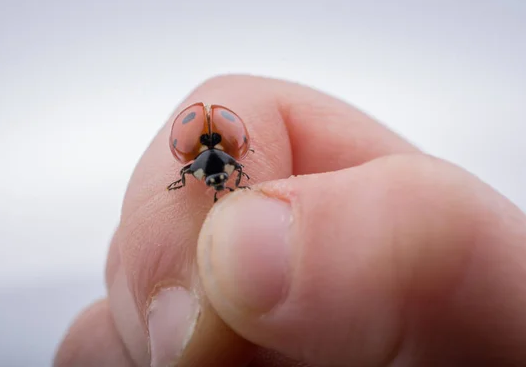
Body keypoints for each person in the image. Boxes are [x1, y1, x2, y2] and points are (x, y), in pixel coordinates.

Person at [53, 75, 526, 367]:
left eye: (213, 174)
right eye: (212, 175)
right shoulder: (220, 158)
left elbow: (206, 163)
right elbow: (215, 164)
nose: (217, 179)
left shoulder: (206, 158)